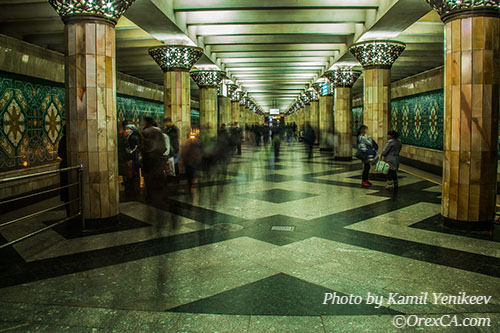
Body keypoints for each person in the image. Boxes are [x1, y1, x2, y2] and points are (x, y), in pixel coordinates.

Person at [141, 117, 166, 198]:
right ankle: (160, 195)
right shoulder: (159, 132)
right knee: (158, 178)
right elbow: (164, 147)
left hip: (149, 159)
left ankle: (151, 195)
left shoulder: (145, 132)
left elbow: (143, 146)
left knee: (149, 179)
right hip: (158, 159)